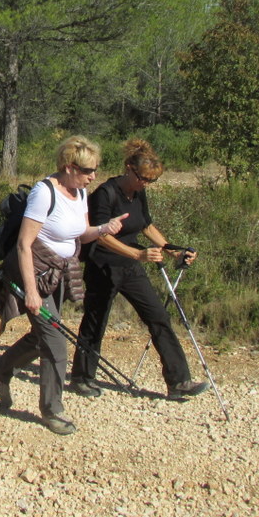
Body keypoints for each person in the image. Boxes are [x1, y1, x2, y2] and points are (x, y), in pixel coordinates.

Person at [0, 135, 127, 435]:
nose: (93, 177)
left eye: (96, 170)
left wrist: (104, 228)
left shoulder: (81, 194)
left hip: (59, 274)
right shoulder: (44, 193)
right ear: (69, 166)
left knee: (42, 337)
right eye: (88, 171)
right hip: (33, 273)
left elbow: (80, 234)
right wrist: (31, 292)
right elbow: (24, 245)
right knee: (56, 342)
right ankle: (52, 409)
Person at [69, 139, 209, 401]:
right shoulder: (105, 193)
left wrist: (171, 249)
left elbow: (146, 226)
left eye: (151, 181)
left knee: (158, 317)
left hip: (131, 266)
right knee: (96, 320)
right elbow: (99, 235)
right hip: (103, 265)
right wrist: (137, 253)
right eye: (143, 178)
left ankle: (179, 382)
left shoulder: (139, 193)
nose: (146, 184)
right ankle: (82, 377)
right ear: (129, 168)